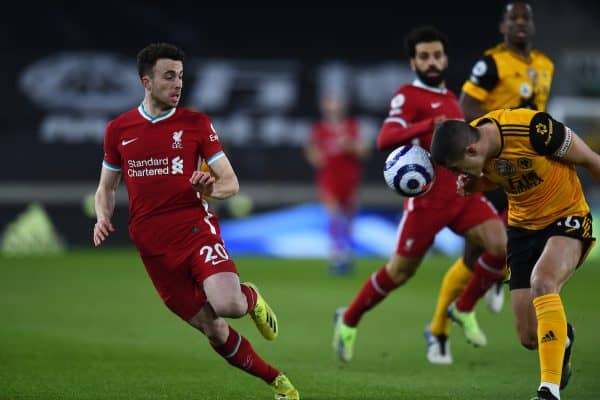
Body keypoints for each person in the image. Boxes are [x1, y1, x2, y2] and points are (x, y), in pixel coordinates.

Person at [92, 43, 299, 400]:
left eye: (181, 77)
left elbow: (230, 182)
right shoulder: (119, 129)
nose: (178, 84)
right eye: (169, 77)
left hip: (194, 230)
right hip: (154, 250)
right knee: (213, 330)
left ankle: (251, 297)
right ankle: (278, 382)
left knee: (229, 305)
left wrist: (209, 189)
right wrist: (102, 216)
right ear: (146, 81)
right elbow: (106, 187)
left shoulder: (196, 124)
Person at [332, 26, 507, 364]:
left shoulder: (452, 99)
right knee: (399, 273)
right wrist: (427, 126)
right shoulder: (407, 96)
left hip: (461, 196)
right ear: (414, 62)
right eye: (424, 56)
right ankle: (348, 319)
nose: (432, 61)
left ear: (445, 58)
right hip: (426, 204)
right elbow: (385, 138)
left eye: (437, 55)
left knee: (501, 246)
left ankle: (464, 308)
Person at [431, 109, 598, 400]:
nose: (459, 176)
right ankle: (564, 339)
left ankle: (549, 392)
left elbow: (591, 160)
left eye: (459, 169)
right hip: (522, 230)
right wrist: (477, 184)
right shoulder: (474, 144)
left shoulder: (535, 130)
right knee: (530, 337)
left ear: (472, 150)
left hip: (567, 216)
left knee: (543, 282)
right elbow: (501, 174)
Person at [426, 0, 555, 365]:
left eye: (525, 18)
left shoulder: (546, 65)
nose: (519, 24)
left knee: (501, 244)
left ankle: (464, 307)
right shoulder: (492, 63)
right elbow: (465, 108)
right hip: (489, 164)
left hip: (523, 167)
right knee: (477, 253)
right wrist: (490, 138)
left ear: (532, 24)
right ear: (502, 26)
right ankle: (439, 327)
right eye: (512, 18)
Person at [305, 94, 369, 275]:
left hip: (349, 179)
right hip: (329, 179)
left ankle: (347, 254)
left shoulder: (351, 126)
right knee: (333, 217)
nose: (333, 107)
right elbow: (312, 150)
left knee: (349, 219)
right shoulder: (319, 129)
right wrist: (317, 157)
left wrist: (350, 146)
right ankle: (336, 255)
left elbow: (363, 151)